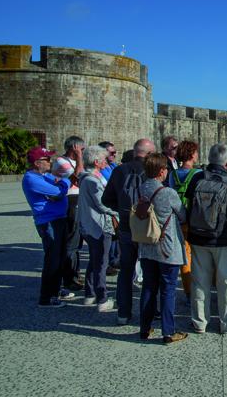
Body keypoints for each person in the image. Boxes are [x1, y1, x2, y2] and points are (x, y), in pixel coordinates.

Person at [185, 143, 227, 334]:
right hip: (224, 239)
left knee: (199, 281)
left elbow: (189, 204)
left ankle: (199, 322)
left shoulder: (196, 178)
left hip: (198, 237)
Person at [102, 138, 156, 325]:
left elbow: (106, 200)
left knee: (125, 271)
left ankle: (123, 313)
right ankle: (149, 312)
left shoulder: (119, 170)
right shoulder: (152, 170)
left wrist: (124, 211)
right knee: (149, 271)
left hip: (126, 226)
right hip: (148, 227)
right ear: (148, 154)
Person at [138, 153, 189, 343]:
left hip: (147, 245)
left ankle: (145, 327)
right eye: (166, 169)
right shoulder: (168, 193)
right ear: (161, 171)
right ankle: (168, 331)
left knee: (149, 288)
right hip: (166, 247)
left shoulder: (141, 188)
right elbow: (182, 215)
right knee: (168, 289)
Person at [22, 146, 72, 308]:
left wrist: (61, 183)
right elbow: (59, 192)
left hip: (59, 218)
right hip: (48, 221)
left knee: (60, 257)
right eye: (47, 160)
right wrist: (64, 181)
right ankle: (47, 297)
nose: (50, 162)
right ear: (37, 163)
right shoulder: (31, 178)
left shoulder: (45, 176)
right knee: (53, 259)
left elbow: (58, 190)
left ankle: (56, 289)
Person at [77, 146, 118, 312]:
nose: (106, 162)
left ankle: (90, 293)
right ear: (96, 162)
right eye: (103, 159)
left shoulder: (86, 177)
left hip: (89, 224)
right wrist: (118, 212)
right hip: (98, 225)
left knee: (94, 260)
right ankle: (102, 298)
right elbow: (102, 204)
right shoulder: (92, 181)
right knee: (101, 262)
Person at [168, 140, 201, 306]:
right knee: (199, 256)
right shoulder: (197, 173)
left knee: (185, 256)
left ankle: (188, 292)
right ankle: (200, 289)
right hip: (194, 218)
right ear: (191, 154)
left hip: (178, 218)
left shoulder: (172, 174)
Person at [52, 136, 85, 291]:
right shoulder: (61, 161)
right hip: (70, 200)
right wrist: (79, 158)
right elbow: (77, 176)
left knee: (77, 241)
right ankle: (69, 278)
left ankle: (75, 273)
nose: (83, 153)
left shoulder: (74, 161)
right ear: (74, 148)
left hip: (78, 199)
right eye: (81, 149)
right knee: (71, 241)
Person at [98, 141, 120, 276]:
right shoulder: (101, 169)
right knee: (108, 235)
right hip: (107, 205)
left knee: (115, 234)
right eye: (112, 152)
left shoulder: (112, 166)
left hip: (115, 204)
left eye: (115, 152)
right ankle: (108, 263)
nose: (114, 154)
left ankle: (114, 260)